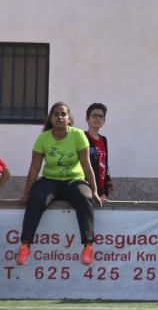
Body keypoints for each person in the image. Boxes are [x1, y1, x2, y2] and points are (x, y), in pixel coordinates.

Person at [16, 101, 101, 266]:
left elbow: (86, 166)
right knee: (36, 200)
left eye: (63, 114)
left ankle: (88, 246)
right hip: (50, 180)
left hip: (74, 180)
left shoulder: (78, 135)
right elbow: (34, 169)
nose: (60, 117)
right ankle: (25, 245)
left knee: (85, 198)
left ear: (69, 118)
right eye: (56, 114)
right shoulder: (43, 139)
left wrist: (95, 191)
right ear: (51, 118)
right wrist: (26, 193)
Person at [84, 102, 114, 200]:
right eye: (94, 116)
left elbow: (104, 162)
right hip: (89, 188)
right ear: (87, 119)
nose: (98, 119)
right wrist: (98, 192)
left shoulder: (104, 140)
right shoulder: (82, 138)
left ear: (104, 121)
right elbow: (86, 167)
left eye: (101, 116)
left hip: (102, 187)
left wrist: (108, 180)